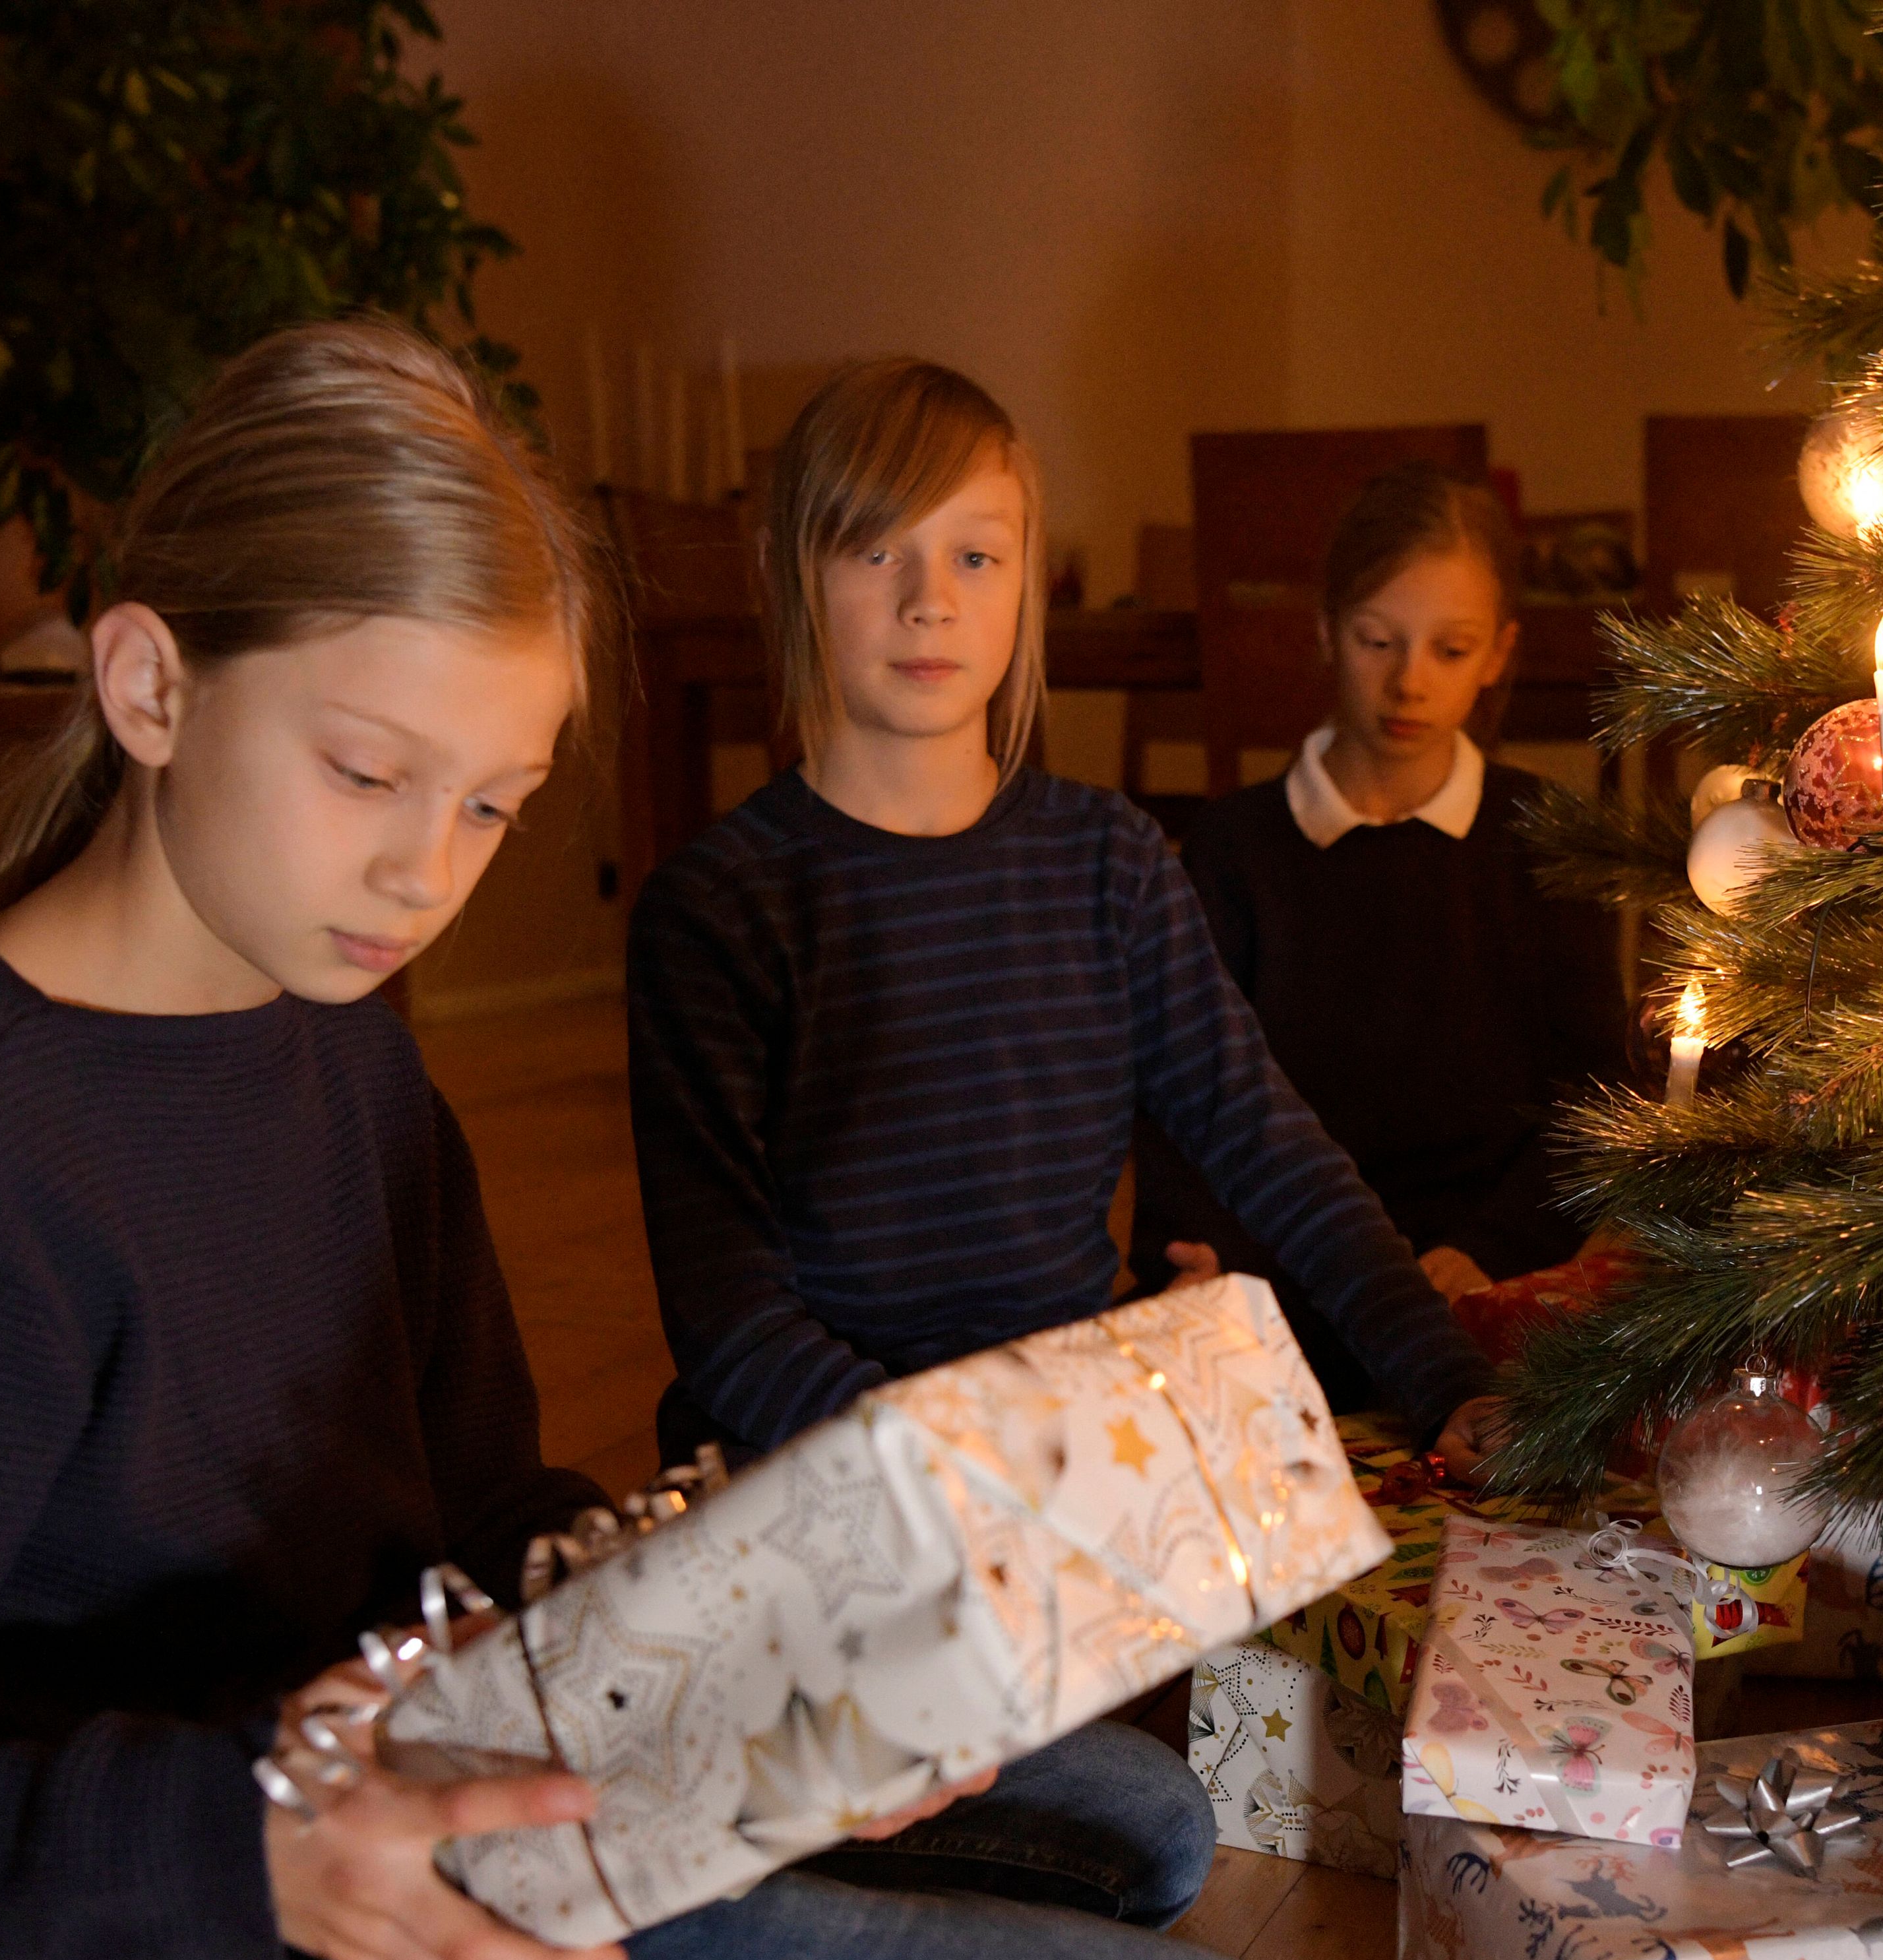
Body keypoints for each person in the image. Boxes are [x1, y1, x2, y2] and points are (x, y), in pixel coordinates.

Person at [0, 319, 1298, 1960]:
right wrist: (259, 1851)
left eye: (494, 804)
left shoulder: (336, 1035)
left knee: (1138, 1831)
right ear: (149, 683)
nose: (425, 872)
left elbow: (483, 1508)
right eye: (368, 771)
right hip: (246, 1947)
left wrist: (790, 1646)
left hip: (477, 1754)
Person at [627, 356, 1508, 1475]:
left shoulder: (1112, 859)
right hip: (830, 1466)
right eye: (876, 547)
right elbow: (726, 1312)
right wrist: (953, 1468)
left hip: (1066, 1446)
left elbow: (1270, 1148)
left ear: (1027, 581)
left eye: (975, 555)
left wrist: (1443, 1380)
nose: (929, 598)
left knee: (1275, 1661)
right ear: (784, 570)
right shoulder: (715, 909)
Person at [1133, 462, 1632, 1406]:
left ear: (1497, 654)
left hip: (1484, 1281)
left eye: (1450, 650)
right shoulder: (1235, 850)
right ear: (1326, 631)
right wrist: (1207, 1263)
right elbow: (1175, 1101)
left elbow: (1591, 1101)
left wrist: (1482, 1250)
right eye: (1378, 641)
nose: (1409, 682)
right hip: (1280, 1270)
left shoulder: (1544, 837)